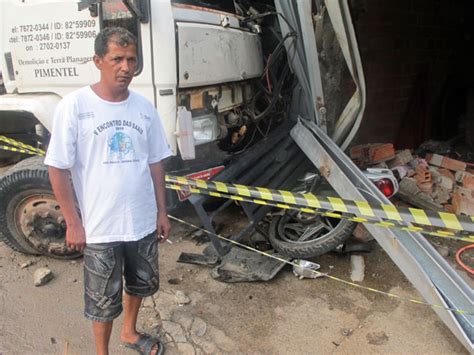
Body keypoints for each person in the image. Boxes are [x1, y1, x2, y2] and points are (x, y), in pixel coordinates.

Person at [45, 27, 171, 355]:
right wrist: (73, 222)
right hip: (101, 226)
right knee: (102, 299)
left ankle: (129, 332)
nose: (126, 67)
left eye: (131, 59)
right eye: (117, 59)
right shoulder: (74, 106)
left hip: (142, 221)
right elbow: (57, 167)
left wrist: (161, 211)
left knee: (141, 283)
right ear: (98, 61)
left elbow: (156, 162)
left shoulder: (144, 108)